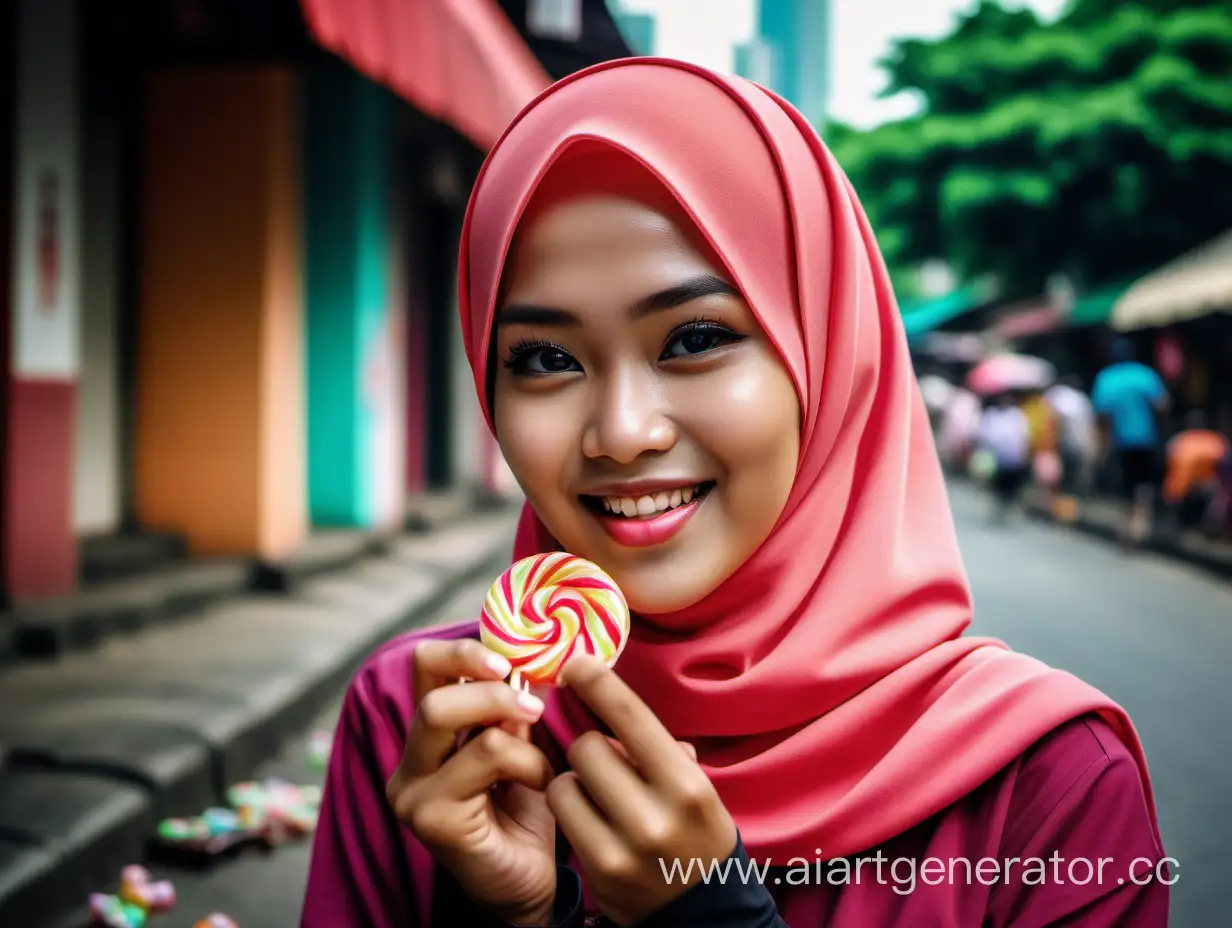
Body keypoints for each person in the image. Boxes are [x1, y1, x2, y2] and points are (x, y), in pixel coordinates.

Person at [301, 59, 1168, 927]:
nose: (622, 431)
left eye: (697, 337)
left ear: (829, 361)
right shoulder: (427, 730)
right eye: (543, 358)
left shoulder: (1050, 793)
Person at [1091, 339, 1170, 546]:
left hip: (1120, 442)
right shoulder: (1145, 375)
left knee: (1126, 486)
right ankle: (1139, 527)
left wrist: (1101, 447)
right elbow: (1162, 405)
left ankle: (1127, 527)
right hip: (1147, 439)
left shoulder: (1106, 379)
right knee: (1143, 485)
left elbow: (1102, 417)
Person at [1161, 411, 1230, 533]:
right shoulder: (1216, 441)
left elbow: (1167, 462)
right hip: (1196, 489)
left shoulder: (1178, 439)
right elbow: (1223, 466)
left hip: (1176, 490)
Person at [1045, 375, 1098, 512]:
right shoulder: (1083, 401)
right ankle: (1066, 512)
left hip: (1064, 445)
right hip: (1080, 445)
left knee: (1060, 481)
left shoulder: (1061, 397)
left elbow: (1055, 421)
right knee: (1071, 482)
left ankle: (1059, 510)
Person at [976, 392, 1031, 521]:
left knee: (1010, 486)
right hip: (993, 456)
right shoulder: (991, 414)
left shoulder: (1018, 415)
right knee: (994, 485)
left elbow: (1024, 436)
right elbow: (983, 433)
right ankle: (996, 509)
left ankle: (1008, 510)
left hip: (1012, 457)